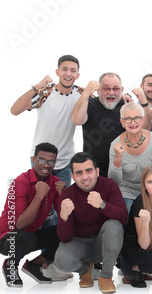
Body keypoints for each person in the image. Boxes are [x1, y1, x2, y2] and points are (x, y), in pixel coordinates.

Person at [55, 152, 128, 293]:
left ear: (97, 171)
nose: (85, 177)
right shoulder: (67, 196)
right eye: (79, 173)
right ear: (73, 176)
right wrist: (63, 217)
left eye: (89, 171)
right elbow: (65, 238)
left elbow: (123, 217)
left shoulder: (109, 185)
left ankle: (106, 276)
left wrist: (102, 205)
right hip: (80, 243)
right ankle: (85, 270)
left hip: (104, 243)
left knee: (114, 225)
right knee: (61, 262)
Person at [0, 143, 69, 287]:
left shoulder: (55, 182)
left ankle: (33, 264)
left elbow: (65, 219)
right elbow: (20, 225)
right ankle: (10, 265)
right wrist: (39, 196)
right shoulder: (21, 182)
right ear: (33, 160)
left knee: (67, 232)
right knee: (28, 237)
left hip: (30, 235)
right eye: (42, 160)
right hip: (7, 238)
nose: (46, 165)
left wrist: (63, 194)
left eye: (51, 162)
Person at [10, 55, 82, 188]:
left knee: (61, 204)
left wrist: (127, 97)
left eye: (72, 70)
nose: (68, 73)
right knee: (39, 201)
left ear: (77, 75)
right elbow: (15, 110)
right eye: (64, 69)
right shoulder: (46, 92)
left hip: (65, 161)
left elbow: (104, 101)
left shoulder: (81, 94)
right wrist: (37, 86)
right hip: (40, 159)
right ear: (57, 72)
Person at [71, 72, 151, 177]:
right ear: (98, 90)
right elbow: (77, 120)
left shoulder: (127, 106)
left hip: (123, 167)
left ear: (121, 90)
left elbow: (145, 130)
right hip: (95, 169)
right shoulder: (90, 105)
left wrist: (143, 101)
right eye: (106, 88)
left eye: (115, 88)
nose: (111, 92)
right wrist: (86, 93)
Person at [108, 102, 152, 213]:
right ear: (122, 122)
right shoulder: (115, 145)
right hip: (127, 191)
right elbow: (114, 180)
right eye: (128, 119)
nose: (133, 122)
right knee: (126, 215)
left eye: (137, 118)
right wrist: (117, 159)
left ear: (143, 120)